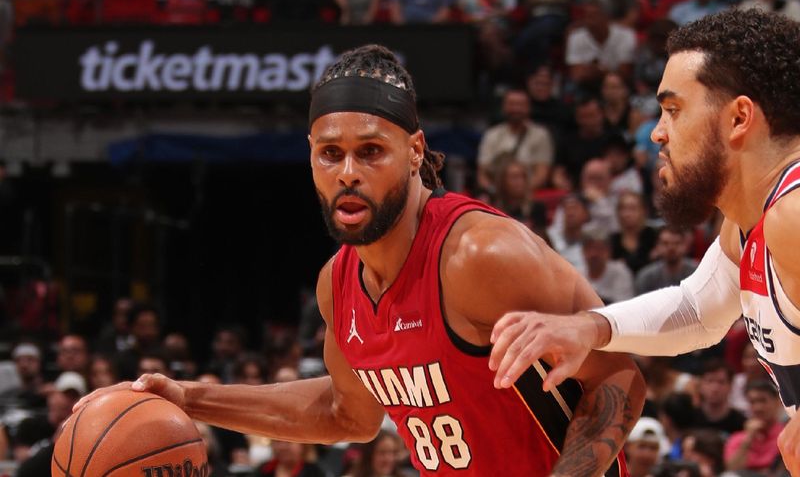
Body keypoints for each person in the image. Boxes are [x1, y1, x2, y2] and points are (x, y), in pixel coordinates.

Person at [79, 45, 644, 476]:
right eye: (331, 154)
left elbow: (619, 373)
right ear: (310, 158)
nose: (347, 171)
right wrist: (191, 398)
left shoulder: (480, 254)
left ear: (415, 151)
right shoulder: (338, 284)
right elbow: (344, 413)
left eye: (370, 151)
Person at [487, 8, 800, 472]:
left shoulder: (792, 215)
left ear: (738, 118)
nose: (657, 132)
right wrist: (589, 328)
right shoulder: (748, 224)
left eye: (674, 110)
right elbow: (698, 310)